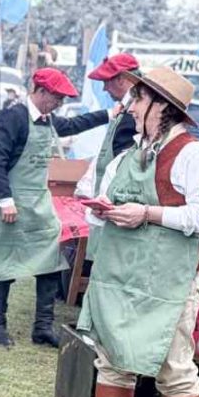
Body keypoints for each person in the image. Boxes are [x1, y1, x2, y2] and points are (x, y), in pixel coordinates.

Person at [74, 68, 199, 397]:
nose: (131, 108)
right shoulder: (127, 156)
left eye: (137, 101)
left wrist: (148, 213)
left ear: (159, 106)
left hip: (170, 279)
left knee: (173, 367)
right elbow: (92, 206)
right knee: (113, 360)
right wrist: (103, 209)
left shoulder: (194, 156)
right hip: (122, 275)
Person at [0, 68, 109, 348]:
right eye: (56, 98)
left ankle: (42, 326)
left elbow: (72, 126)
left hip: (40, 204)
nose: (58, 104)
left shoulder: (48, 120)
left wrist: (107, 115)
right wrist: (5, 200)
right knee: (4, 265)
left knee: (52, 260)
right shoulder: (13, 117)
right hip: (13, 203)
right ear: (40, 92)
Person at [83, 54, 141, 261]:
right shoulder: (126, 110)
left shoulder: (131, 115)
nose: (104, 89)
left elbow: (125, 168)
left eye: (106, 82)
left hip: (117, 208)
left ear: (122, 79)